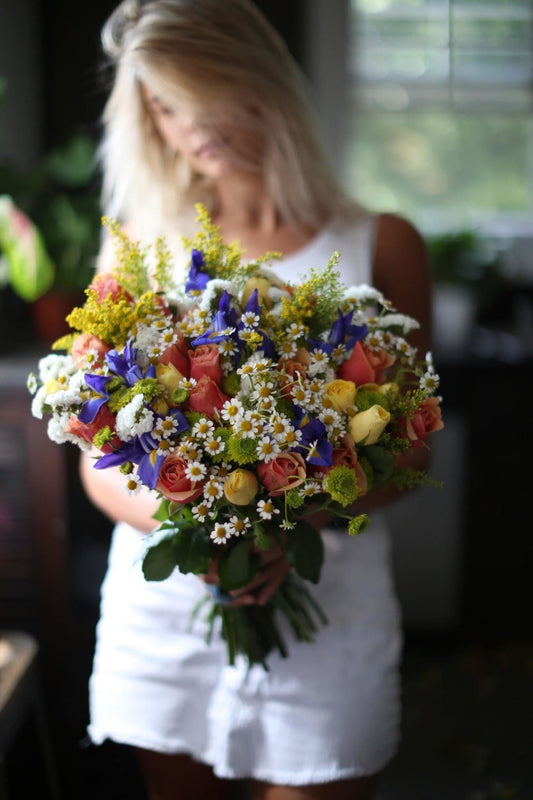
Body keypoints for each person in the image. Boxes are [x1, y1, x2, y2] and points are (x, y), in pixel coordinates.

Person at [80, 1, 432, 798]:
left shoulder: (381, 242)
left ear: (256, 78)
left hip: (333, 604)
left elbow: (412, 449)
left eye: (198, 93)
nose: (188, 124)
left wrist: (283, 526)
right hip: (163, 608)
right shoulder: (137, 244)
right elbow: (95, 460)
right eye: (162, 106)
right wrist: (203, 543)